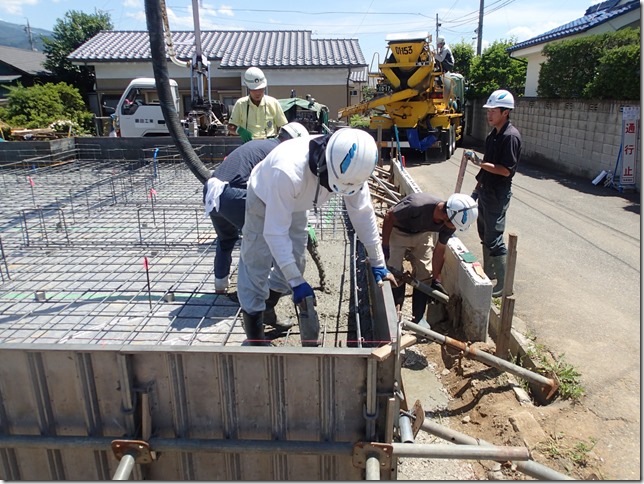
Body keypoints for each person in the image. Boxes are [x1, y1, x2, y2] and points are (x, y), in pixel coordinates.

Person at [236, 127, 396, 346]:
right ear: (324, 164)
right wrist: (297, 282)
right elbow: (275, 232)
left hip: (298, 201)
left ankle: (268, 309)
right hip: (264, 197)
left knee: (295, 259)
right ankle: (255, 336)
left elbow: (362, 214)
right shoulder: (288, 171)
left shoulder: (354, 168)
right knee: (256, 261)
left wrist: (378, 262)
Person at [203, 122, 309, 332]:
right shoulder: (279, 154)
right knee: (260, 244)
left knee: (226, 240)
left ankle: (220, 286)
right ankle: (261, 302)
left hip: (212, 194)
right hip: (233, 195)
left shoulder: (261, 144)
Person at [381, 192, 478, 324]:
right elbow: (389, 216)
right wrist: (385, 246)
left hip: (423, 233)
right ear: (447, 215)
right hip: (399, 231)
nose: (454, 228)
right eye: (454, 225)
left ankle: (419, 317)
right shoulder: (417, 204)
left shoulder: (451, 222)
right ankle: (394, 310)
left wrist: (435, 278)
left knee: (425, 272)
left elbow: (439, 250)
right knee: (393, 268)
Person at [464, 89, 521, 297]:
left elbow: (506, 169)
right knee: (484, 232)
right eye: (488, 111)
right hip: (486, 190)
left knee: (494, 237)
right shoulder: (493, 136)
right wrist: (476, 189)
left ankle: (505, 285)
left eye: (493, 111)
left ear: (505, 112)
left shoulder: (510, 137)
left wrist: (480, 162)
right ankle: (489, 274)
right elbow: (486, 167)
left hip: (498, 193)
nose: (489, 115)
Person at [228, 67, 288, 143]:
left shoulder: (273, 103)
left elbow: (284, 126)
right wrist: (239, 130)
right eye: (254, 90)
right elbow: (230, 126)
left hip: (269, 142)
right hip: (249, 143)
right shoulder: (240, 104)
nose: (258, 93)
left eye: (260, 89)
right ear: (248, 88)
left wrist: (278, 139)